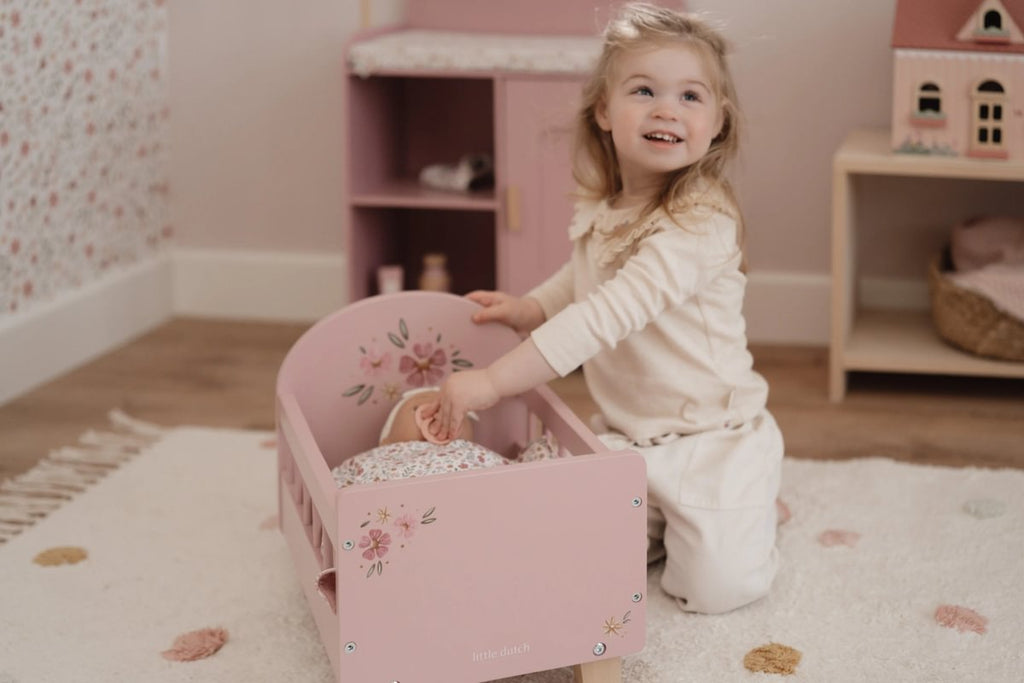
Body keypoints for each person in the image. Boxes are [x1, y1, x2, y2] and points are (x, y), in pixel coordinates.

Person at [420, 2, 783, 614]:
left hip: (712, 441)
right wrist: (531, 307)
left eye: (691, 97)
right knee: (567, 546)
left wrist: (491, 382)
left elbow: (603, 315)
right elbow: (584, 276)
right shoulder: (606, 204)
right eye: (644, 90)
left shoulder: (699, 222)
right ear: (604, 111)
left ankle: (751, 510)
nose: (667, 108)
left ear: (718, 122)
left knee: (716, 589)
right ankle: (668, 522)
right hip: (630, 438)